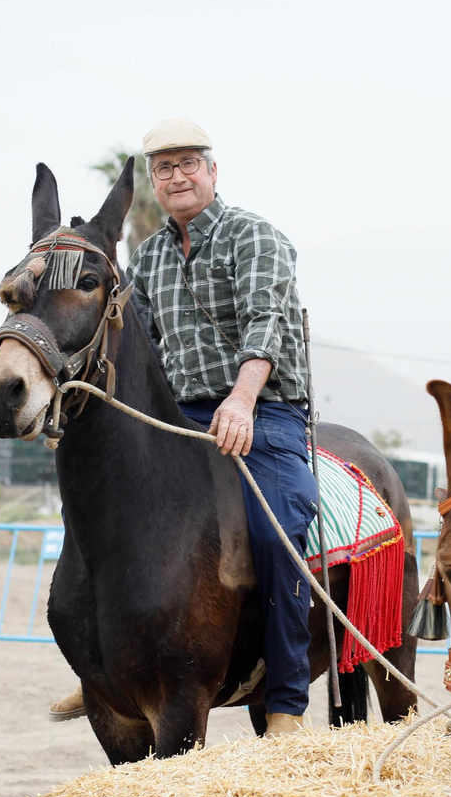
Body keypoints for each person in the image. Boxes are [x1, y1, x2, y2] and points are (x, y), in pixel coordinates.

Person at [48, 116, 318, 736]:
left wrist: (243, 401)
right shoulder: (146, 259)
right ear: (153, 183)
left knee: (278, 534)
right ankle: (107, 669)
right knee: (105, 518)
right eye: (163, 168)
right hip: (178, 417)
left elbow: (266, 325)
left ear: (212, 171)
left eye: (188, 163)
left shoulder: (257, 238)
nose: (176, 176)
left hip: (262, 412)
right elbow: (132, 344)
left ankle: (284, 702)